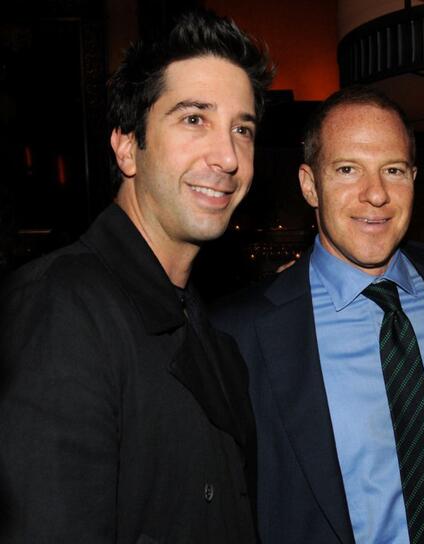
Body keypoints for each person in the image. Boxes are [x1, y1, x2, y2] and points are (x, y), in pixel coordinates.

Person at [0, 11, 273, 542]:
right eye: (195, 118)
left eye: (243, 128)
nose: (228, 155)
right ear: (127, 145)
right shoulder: (58, 310)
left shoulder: (206, 328)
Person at [213, 86, 424, 543]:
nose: (376, 195)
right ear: (309, 185)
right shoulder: (242, 332)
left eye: (393, 170)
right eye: (348, 169)